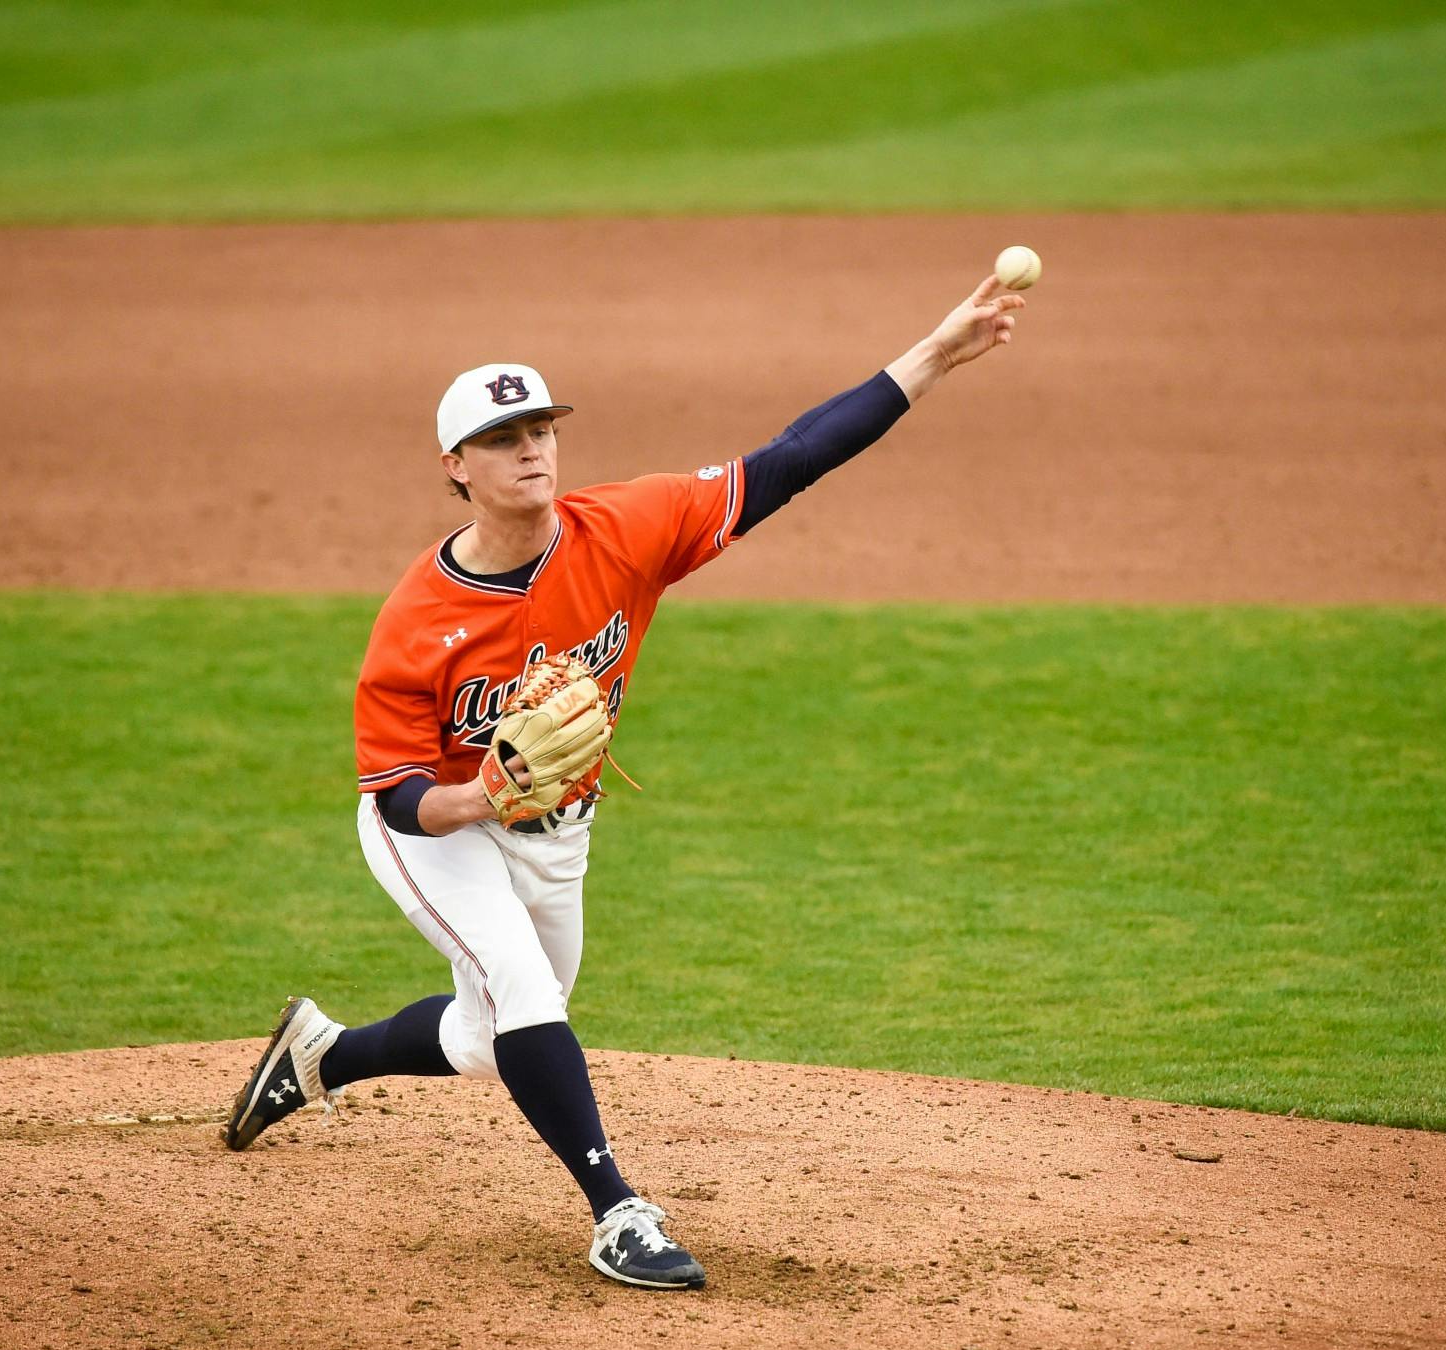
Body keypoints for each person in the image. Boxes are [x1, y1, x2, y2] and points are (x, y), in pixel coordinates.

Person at [223, 270, 1029, 1290]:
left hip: (559, 830)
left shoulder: (626, 527)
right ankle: (618, 1210)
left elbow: (791, 459)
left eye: (542, 431)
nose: (530, 451)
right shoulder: (416, 619)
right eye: (504, 439)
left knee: (490, 1035)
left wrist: (934, 353)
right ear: (455, 467)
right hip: (436, 831)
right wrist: (480, 796)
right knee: (522, 992)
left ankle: (319, 1055)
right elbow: (395, 793)